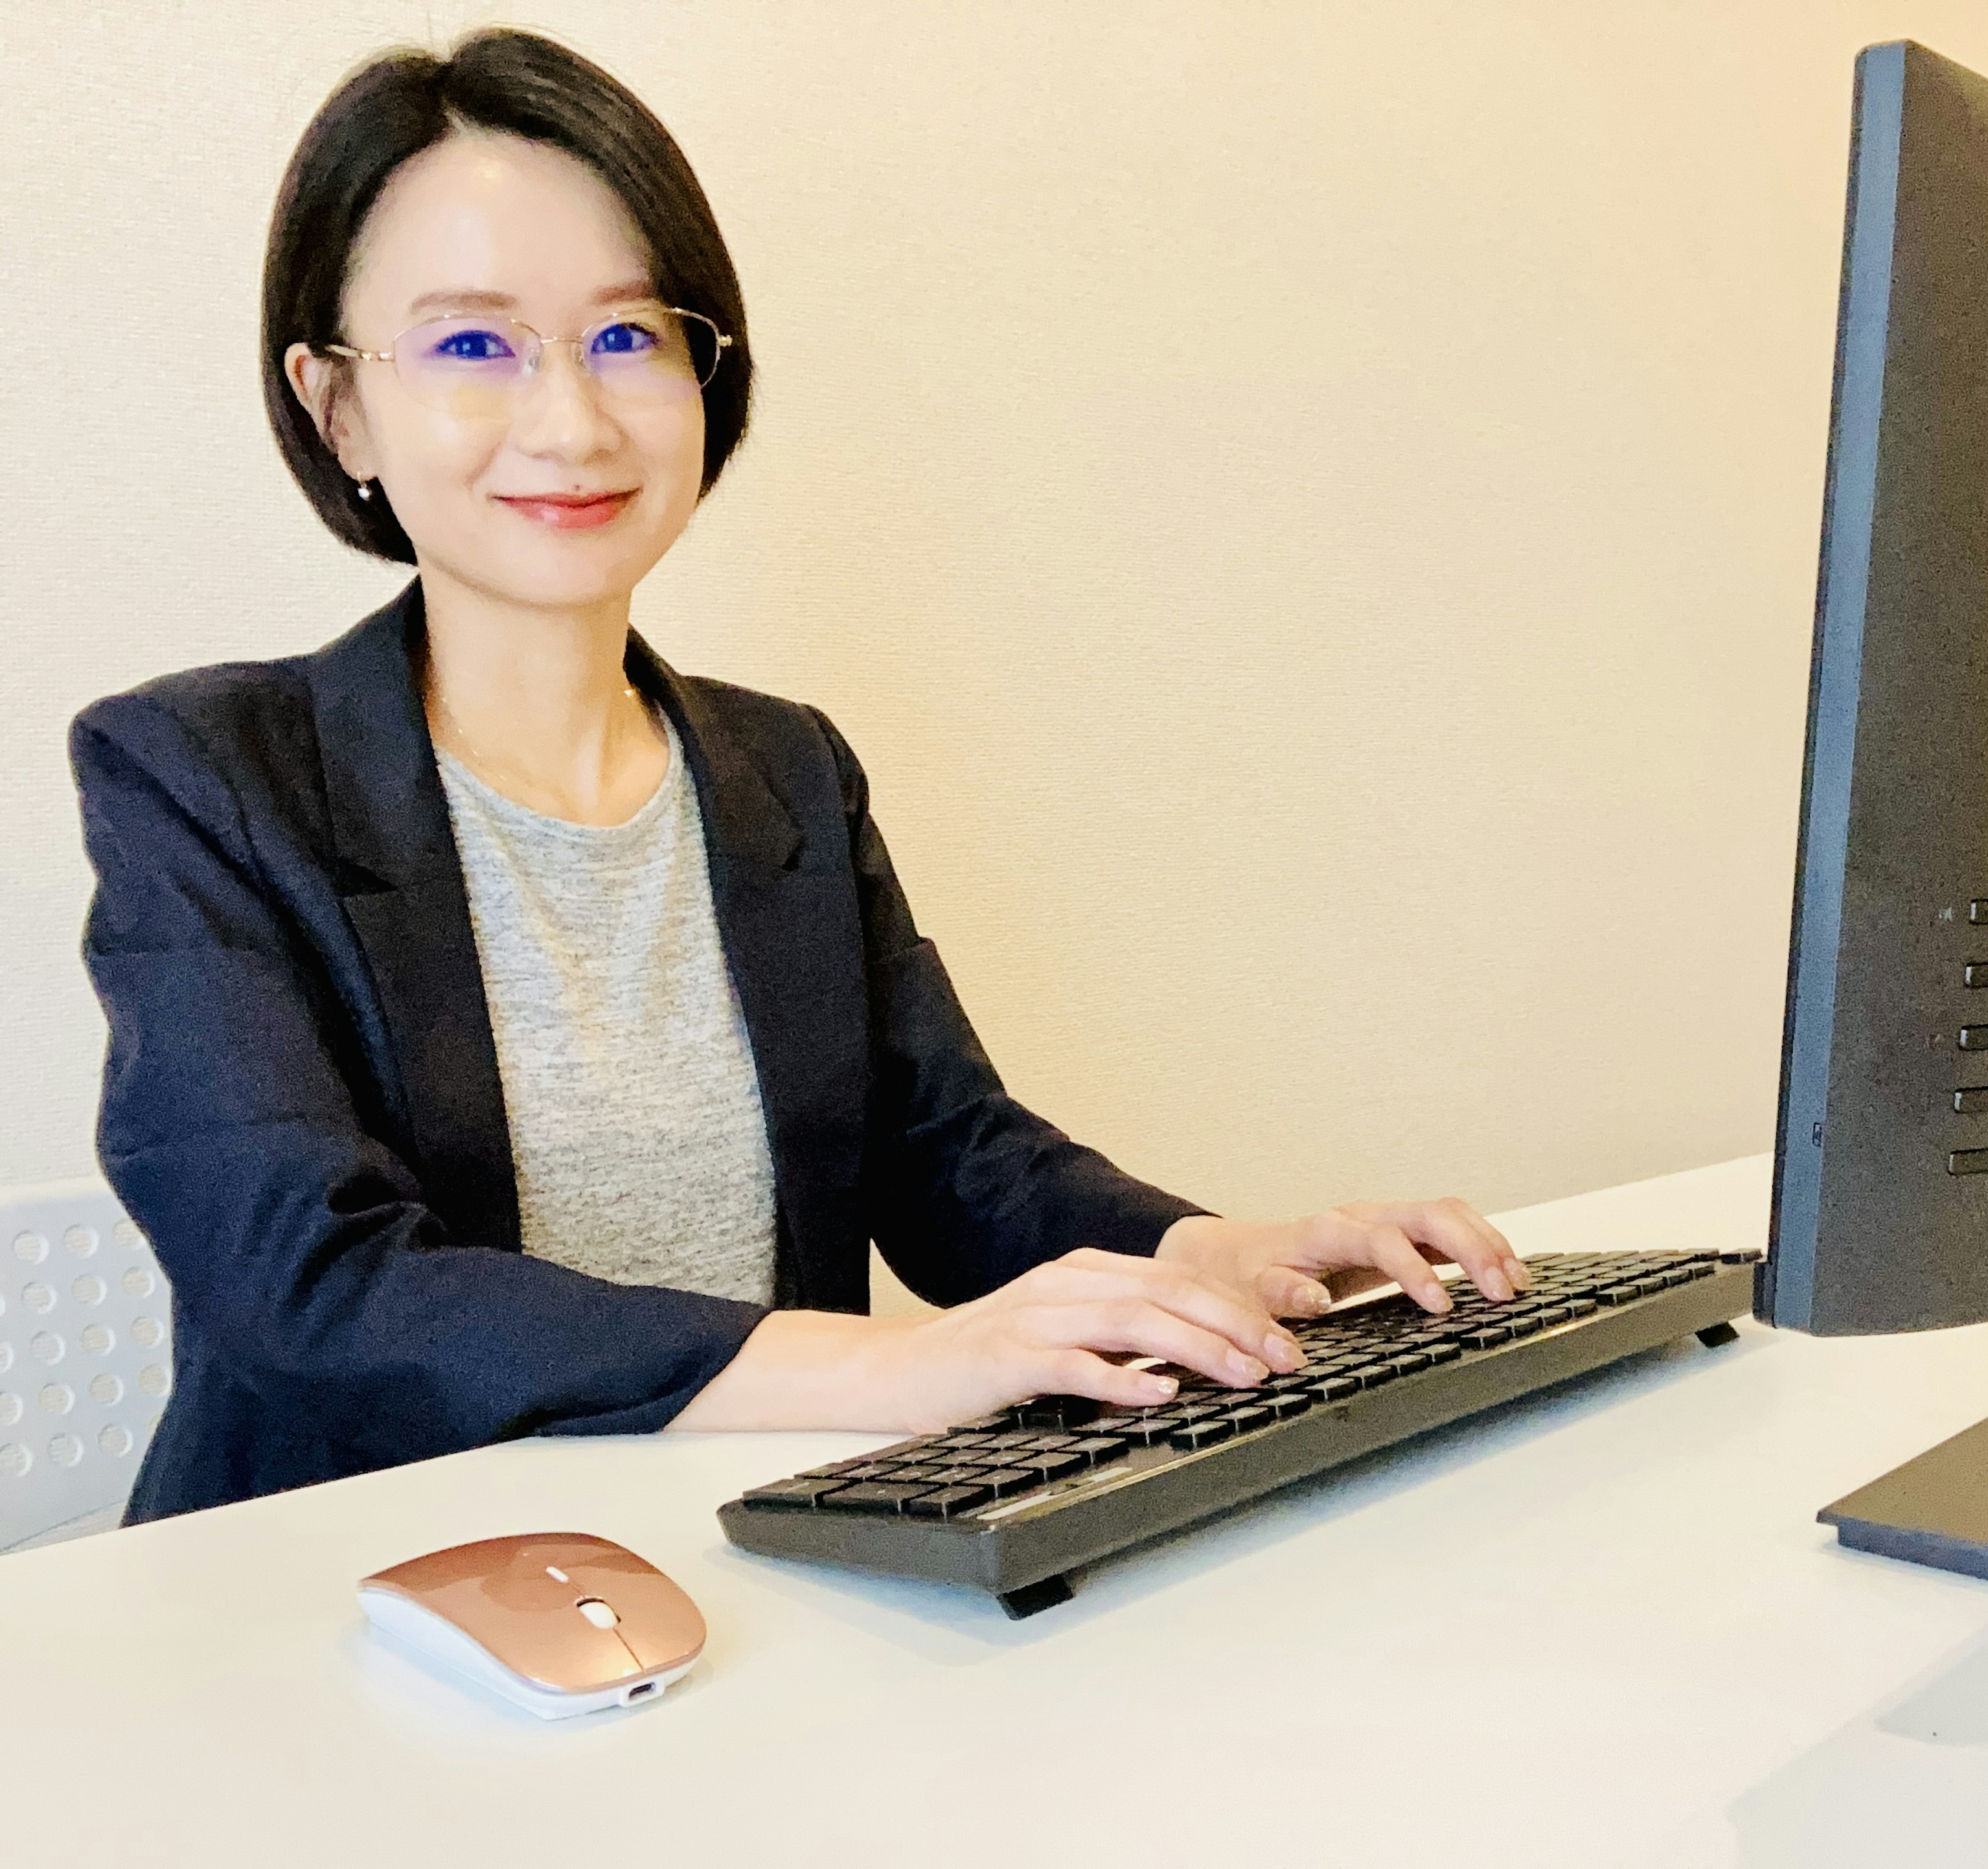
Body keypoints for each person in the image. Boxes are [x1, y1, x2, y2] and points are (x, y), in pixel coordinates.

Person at [71, 27, 1525, 1523]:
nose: (571, 419)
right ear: (339, 408)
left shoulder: (782, 769)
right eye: (470, 343)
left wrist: (1210, 1258)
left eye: (630, 335)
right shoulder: (201, 775)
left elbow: (955, 1161)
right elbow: (311, 1285)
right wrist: (900, 1370)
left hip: (734, 1565)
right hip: (355, 1594)